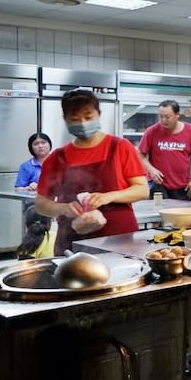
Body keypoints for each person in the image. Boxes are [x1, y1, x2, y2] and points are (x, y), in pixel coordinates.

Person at [35, 89, 148, 255]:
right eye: (75, 119)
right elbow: (41, 204)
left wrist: (108, 196)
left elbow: (142, 189)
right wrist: (63, 208)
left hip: (119, 238)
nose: (82, 123)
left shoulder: (120, 147)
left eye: (88, 117)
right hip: (73, 239)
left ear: (99, 114)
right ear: (65, 120)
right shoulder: (57, 158)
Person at [138, 99, 191, 201]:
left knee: (181, 215)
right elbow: (140, 154)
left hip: (183, 186)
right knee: (159, 214)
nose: (164, 120)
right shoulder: (152, 132)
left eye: (167, 117)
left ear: (177, 115)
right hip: (158, 184)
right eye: (161, 117)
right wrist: (151, 170)